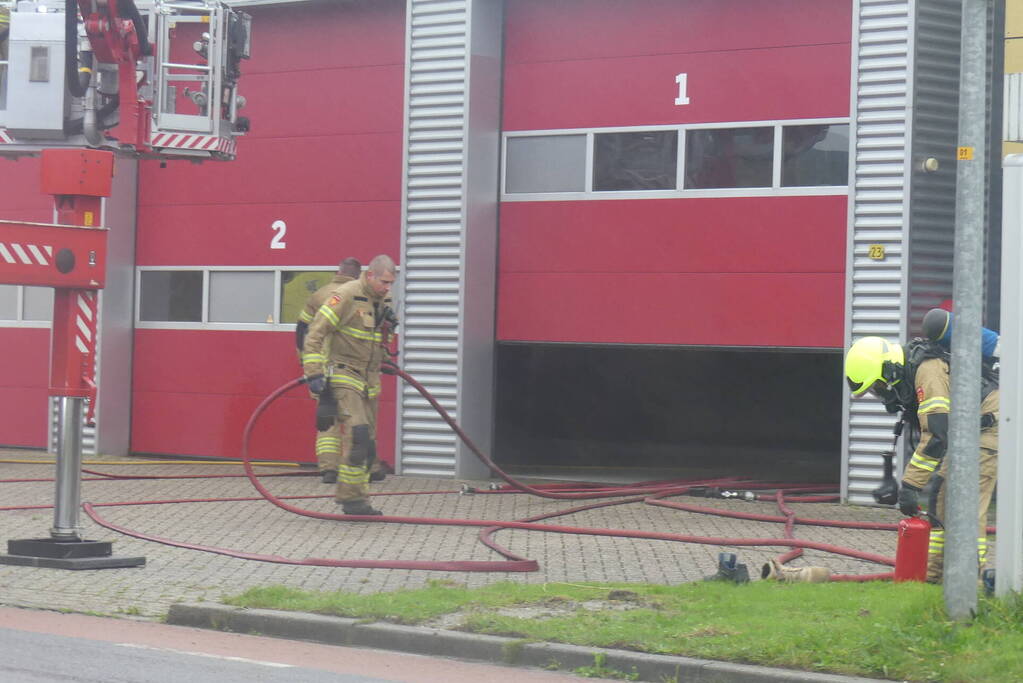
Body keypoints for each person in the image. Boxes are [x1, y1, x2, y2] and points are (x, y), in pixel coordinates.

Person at [845, 335, 998, 583]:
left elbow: (937, 435)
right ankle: (935, 578)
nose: (883, 395)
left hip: (989, 429)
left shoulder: (928, 372)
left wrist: (910, 485)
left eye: (879, 387)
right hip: (973, 431)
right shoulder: (917, 371)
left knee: (965, 502)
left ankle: (969, 582)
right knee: (940, 495)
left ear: (889, 370)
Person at [302, 254, 398, 515]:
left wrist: (386, 356)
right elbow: (314, 335)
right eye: (384, 282)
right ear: (369, 275)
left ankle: (357, 496)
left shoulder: (383, 300)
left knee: (368, 445)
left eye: (391, 284)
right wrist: (314, 374)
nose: (388, 288)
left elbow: (375, 339)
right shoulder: (344, 296)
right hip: (344, 373)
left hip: (370, 380)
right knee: (358, 435)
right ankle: (352, 500)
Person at [296, 257, 362, 483]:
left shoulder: (320, 294)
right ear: (357, 276)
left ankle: (328, 468)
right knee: (354, 419)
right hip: (349, 370)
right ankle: (354, 469)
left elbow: (302, 329)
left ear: (338, 272)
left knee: (327, 419)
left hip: (320, 369)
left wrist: (305, 362)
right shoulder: (358, 296)